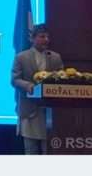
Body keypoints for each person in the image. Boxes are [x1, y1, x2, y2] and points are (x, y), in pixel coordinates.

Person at [11, 23, 63, 154]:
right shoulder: (21, 57)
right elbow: (15, 79)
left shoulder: (55, 57)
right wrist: (28, 86)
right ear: (32, 38)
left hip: (49, 112)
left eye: (47, 37)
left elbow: (62, 77)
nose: (46, 39)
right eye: (42, 36)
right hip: (29, 110)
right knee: (31, 151)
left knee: (49, 151)